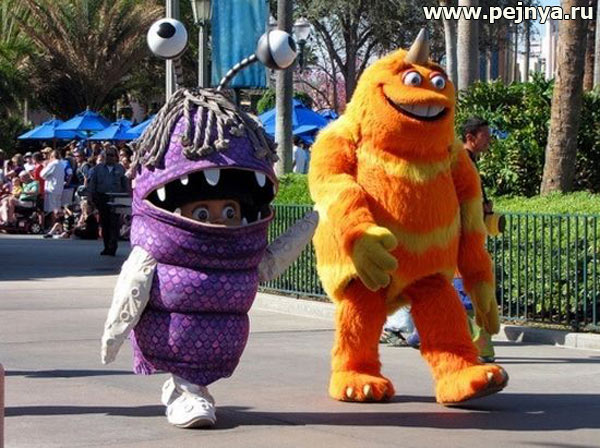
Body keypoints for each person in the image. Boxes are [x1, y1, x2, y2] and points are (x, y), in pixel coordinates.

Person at [87, 146, 129, 255]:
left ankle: (113, 246)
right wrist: (90, 197)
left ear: (116, 157)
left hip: (116, 199)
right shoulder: (98, 168)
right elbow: (92, 184)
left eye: (111, 155)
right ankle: (106, 247)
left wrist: (127, 198)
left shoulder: (120, 168)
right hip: (102, 198)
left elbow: (125, 184)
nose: (109, 157)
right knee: (104, 223)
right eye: (107, 155)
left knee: (114, 223)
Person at [40, 149, 65, 228]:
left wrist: (45, 166)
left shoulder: (53, 164)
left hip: (51, 189)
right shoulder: (61, 164)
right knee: (58, 208)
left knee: (52, 210)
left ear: (52, 156)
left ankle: (53, 226)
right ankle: (60, 226)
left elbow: (42, 174)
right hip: (59, 189)